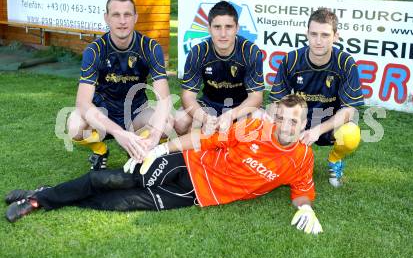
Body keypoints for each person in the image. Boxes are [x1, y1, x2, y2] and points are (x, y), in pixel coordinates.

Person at [6, 94, 323, 235]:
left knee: (120, 203)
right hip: (186, 163)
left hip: (198, 194)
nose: (284, 125)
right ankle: (37, 199)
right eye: (279, 117)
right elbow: (203, 140)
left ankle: (47, 193)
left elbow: (301, 189)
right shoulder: (254, 128)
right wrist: (161, 150)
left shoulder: (302, 157)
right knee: (109, 180)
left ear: (303, 121)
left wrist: (305, 207)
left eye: (292, 120)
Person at [67, 0, 171, 170]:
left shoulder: (150, 47)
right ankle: (100, 151)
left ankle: (140, 148)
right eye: (116, 15)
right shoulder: (95, 50)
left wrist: (154, 136)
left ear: (135, 17)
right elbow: (82, 102)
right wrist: (118, 133)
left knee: (167, 122)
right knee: (75, 126)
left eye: (127, 14)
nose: (122, 21)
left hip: (136, 111)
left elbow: (164, 99)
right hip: (104, 110)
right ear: (107, 18)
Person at [269, 7, 364, 188]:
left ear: (336, 36)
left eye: (325, 35)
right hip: (299, 120)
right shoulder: (292, 59)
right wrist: (285, 126)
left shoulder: (345, 63)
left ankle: (335, 159)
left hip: (329, 124)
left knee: (351, 134)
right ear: (307, 34)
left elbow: (349, 110)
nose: (318, 41)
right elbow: (277, 102)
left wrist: (317, 130)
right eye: (314, 34)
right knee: (269, 122)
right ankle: (285, 159)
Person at [175, 0, 264, 135]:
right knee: (180, 121)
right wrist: (205, 119)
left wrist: (230, 116)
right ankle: (190, 149)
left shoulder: (251, 51)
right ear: (209, 28)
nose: (223, 34)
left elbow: (256, 97)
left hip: (240, 105)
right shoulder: (198, 52)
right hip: (209, 105)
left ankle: (241, 151)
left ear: (237, 28)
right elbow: (188, 96)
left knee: (259, 118)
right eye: (217, 27)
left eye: (228, 27)